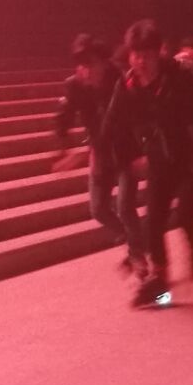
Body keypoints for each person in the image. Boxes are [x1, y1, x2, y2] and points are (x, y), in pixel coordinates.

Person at [99, 20, 193, 307]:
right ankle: (159, 279)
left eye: (146, 55)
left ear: (159, 53)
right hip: (158, 160)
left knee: (185, 212)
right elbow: (111, 127)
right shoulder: (127, 85)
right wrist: (126, 159)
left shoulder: (179, 80)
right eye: (136, 55)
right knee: (153, 221)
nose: (141, 62)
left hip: (189, 158)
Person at [53, 33, 140, 274]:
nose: (86, 70)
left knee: (125, 207)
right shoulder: (74, 85)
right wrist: (64, 146)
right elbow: (64, 116)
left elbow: (118, 122)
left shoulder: (120, 81)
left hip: (125, 150)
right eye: (81, 65)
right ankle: (135, 240)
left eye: (90, 63)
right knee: (99, 209)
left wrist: (86, 152)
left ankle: (139, 257)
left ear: (103, 62)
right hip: (100, 151)